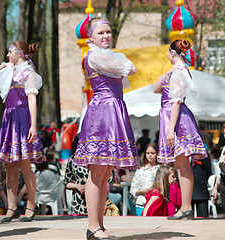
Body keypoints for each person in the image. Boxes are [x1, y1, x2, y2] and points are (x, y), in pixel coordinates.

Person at [72, 17, 139, 239]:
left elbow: (129, 68)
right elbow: (130, 68)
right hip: (102, 113)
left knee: (106, 173)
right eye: (101, 33)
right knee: (97, 171)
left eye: (108, 32)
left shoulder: (108, 56)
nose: (106, 36)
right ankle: (92, 226)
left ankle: (99, 224)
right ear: (91, 37)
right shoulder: (95, 56)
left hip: (115, 109)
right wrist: (122, 60)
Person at [0, 40, 46, 223]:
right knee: (9, 166)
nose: (7, 55)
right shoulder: (9, 70)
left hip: (22, 118)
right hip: (9, 118)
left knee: (24, 165)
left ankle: (30, 205)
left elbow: (32, 100)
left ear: (20, 54)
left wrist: (34, 125)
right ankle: (11, 207)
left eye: (10, 52)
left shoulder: (29, 73)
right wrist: (6, 65)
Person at [153, 39, 208, 220]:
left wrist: (170, 130)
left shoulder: (179, 73)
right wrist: (170, 70)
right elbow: (156, 88)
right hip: (173, 117)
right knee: (180, 165)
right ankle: (185, 208)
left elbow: (176, 102)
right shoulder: (177, 71)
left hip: (177, 120)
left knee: (182, 165)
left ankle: (185, 208)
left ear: (171, 52)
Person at [130, 143, 160, 216]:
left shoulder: (160, 169)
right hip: (141, 203)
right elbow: (133, 189)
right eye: (148, 153)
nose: (150, 155)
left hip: (156, 204)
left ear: (157, 154)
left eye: (152, 153)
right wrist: (141, 191)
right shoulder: (140, 170)